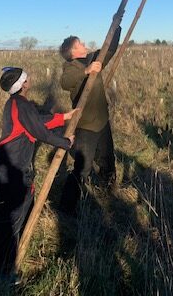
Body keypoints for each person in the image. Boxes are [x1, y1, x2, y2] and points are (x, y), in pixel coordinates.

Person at [0, 67, 76, 279]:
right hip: (16, 166)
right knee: (12, 218)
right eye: (26, 78)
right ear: (22, 85)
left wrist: (63, 117)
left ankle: (7, 262)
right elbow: (40, 131)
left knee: (17, 212)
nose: (29, 79)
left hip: (10, 164)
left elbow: (36, 122)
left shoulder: (16, 103)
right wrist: (65, 143)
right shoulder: (21, 105)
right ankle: (3, 272)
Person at [58, 24, 121, 213]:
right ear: (73, 51)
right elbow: (65, 82)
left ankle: (108, 191)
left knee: (108, 159)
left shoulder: (93, 58)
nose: (84, 44)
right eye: (80, 44)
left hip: (102, 120)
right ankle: (67, 208)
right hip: (85, 126)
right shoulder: (70, 67)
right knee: (82, 168)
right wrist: (86, 72)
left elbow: (110, 49)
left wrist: (116, 26)